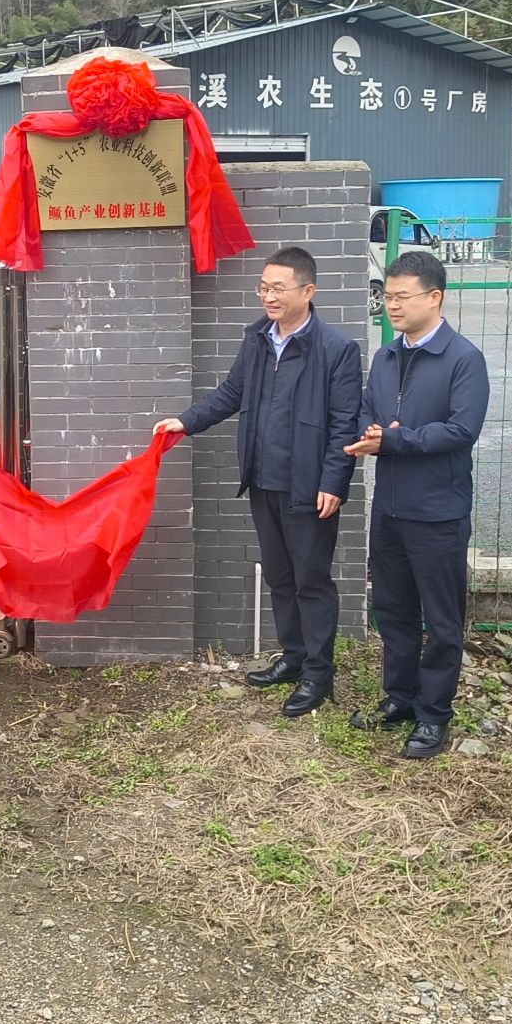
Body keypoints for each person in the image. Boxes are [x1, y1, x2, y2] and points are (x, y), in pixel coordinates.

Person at [156, 246, 361, 718]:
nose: (268, 296)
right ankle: (292, 658)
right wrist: (185, 422)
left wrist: (334, 480)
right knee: (281, 576)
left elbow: (344, 422)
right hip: (263, 481)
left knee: (311, 581)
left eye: (278, 288)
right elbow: (232, 393)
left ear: (308, 292)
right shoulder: (257, 340)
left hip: (310, 488)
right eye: (263, 287)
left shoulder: (336, 349)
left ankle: (317, 675)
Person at [344, 249, 490, 760]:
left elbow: (461, 431)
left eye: (402, 296)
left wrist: (396, 441)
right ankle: (400, 699)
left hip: (438, 513)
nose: (392, 305)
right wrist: (368, 434)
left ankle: (434, 716)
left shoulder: (463, 359)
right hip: (389, 509)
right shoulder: (386, 356)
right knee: (393, 611)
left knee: (442, 620)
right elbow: (370, 411)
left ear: (435, 297)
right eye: (387, 296)